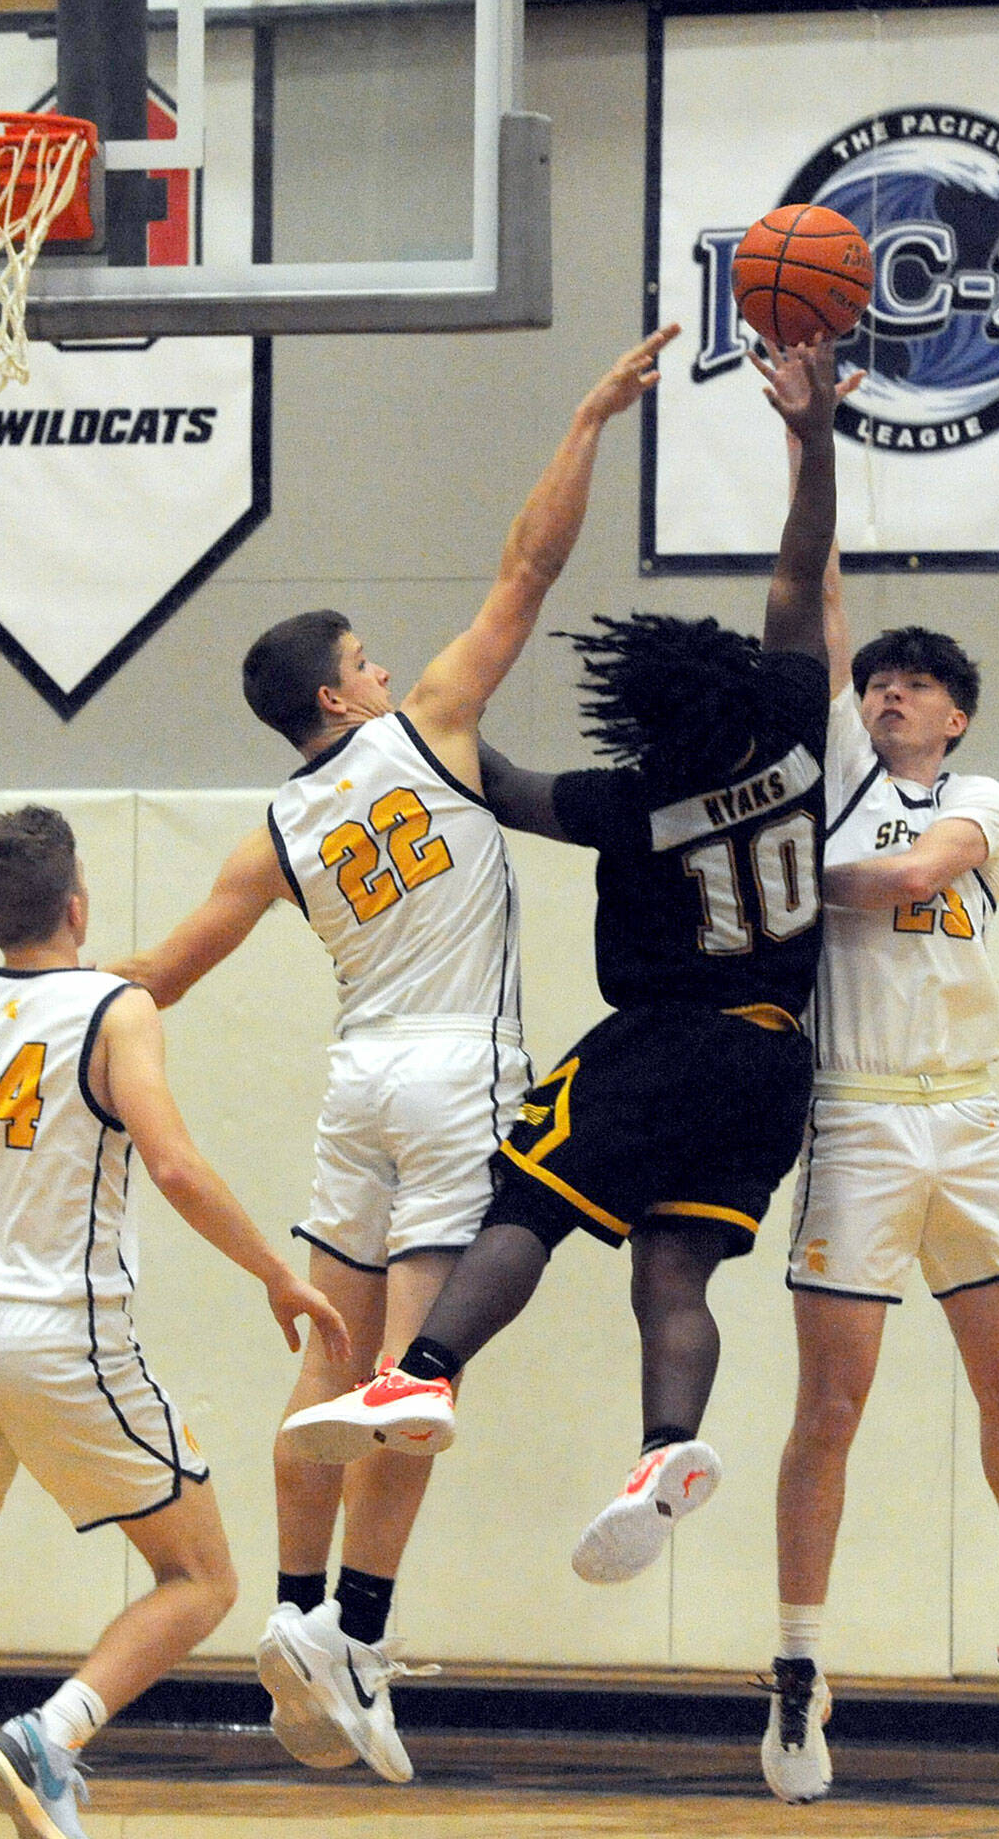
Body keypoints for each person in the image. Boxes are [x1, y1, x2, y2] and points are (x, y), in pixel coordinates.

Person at [109, 323, 681, 1786]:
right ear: (343, 698)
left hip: (352, 1079)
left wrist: (20, 977)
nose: (384, 666)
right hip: (452, 1072)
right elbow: (529, 568)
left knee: (330, 1349)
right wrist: (588, 422)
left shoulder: (279, 834)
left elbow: (157, 976)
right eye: (365, 659)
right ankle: (357, 1634)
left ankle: (298, 1615)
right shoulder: (430, 725)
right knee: (422, 1377)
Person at [280, 339, 841, 1592]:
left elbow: (483, 776)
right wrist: (811, 442)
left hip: (664, 1041)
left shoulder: (623, 799)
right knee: (675, 1264)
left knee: (526, 1201)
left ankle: (417, 1374)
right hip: (774, 1063)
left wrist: (409, 724)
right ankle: (664, 1447)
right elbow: (800, 572)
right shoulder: (797, 725)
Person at [754, 355, 999, 1804]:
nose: (892, 692)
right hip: (860, 1122)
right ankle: (799, 1667)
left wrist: (789, 885)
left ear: (959, 718)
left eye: (919, 686)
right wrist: (818, 444)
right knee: (832, 1411)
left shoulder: (974, 803)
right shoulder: (840, 777)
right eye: (878, 684)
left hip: (968, 1116)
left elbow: (912, 876)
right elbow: (820, 601)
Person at [0, 805, 348, 1839]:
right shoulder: (115, 1008)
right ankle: (48, 1737)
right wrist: (277, 1272)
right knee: (201, 1577)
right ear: (77, 904)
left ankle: (40, 1742)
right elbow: (177, 1167)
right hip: (64, 1333)